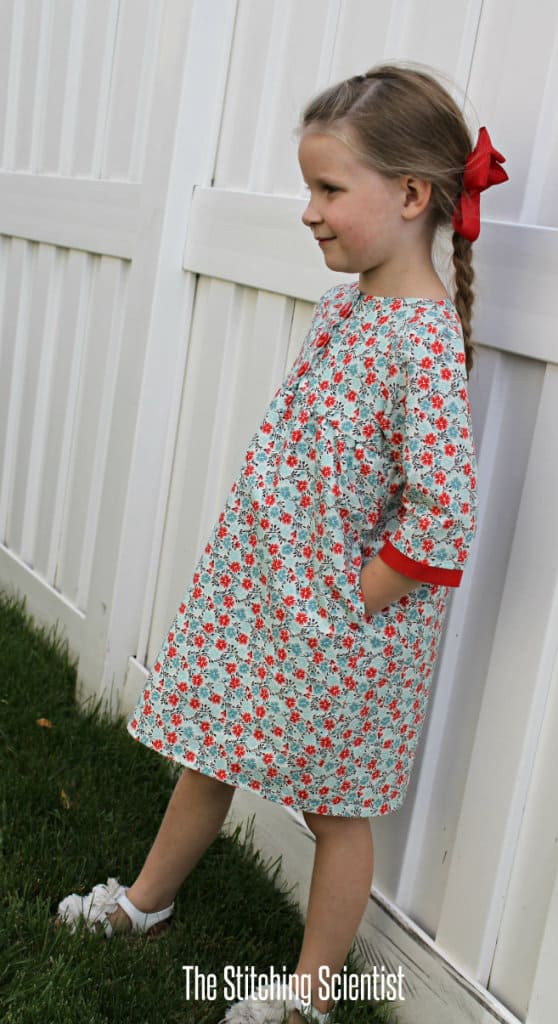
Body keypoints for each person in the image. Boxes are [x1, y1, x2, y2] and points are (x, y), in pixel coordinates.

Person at [58, 64, 507, 1024]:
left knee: (336, 808)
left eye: (329, 189)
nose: (308, 211)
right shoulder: (349, 307)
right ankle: (148, 902)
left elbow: (442, 515)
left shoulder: (422, 338)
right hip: (264, 599)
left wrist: (352, 601)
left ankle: (310, 995)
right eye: (310, 187)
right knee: (210, 751)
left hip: (344, 628)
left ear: (414, 195)